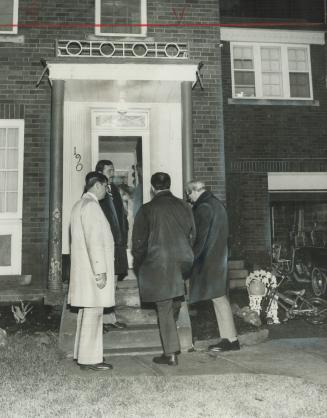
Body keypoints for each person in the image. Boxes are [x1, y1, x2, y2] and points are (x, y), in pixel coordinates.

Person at [132, 172, 195, 366]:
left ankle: (170, 353)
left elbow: (138, 243)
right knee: (173, 301)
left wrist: (140, 263)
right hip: (182, 262)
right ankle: (172, 347)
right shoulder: (185, 206)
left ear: (152, 188)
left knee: (165, 307)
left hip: (159, 263)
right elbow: (193, 234)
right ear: (169, 185)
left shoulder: (147, 209)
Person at [68, 171, 115, 371]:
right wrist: (101, 270)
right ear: (97, 185)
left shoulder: (79, 204)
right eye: (106, 186)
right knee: (94, 313)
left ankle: (82, 354)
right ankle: (90, 360)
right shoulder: (92, 207)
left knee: (86, 312)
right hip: (93, 270)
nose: (107, 190)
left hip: (83, 270)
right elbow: (94, 241)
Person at [186, 180, 240, 352]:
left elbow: (200, 238)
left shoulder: (204, 207)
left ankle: (231, 339)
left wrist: (191, 258)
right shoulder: (216, 204)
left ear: (194, 191)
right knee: (219, 298)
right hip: (219, 257)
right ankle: (228, 338)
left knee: (219, 298)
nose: (189, 199)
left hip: (209, 259)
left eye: (189, 194)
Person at [96, 160, 128, 330]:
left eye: (113, 170)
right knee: (103, 282)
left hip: (117, 243)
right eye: (109, 170)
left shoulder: (114, 189)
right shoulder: (95, 190)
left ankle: (109, 318)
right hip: (104, 245)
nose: (112, 173)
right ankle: (98, 320)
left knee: (113, 282)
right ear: (100, 172)